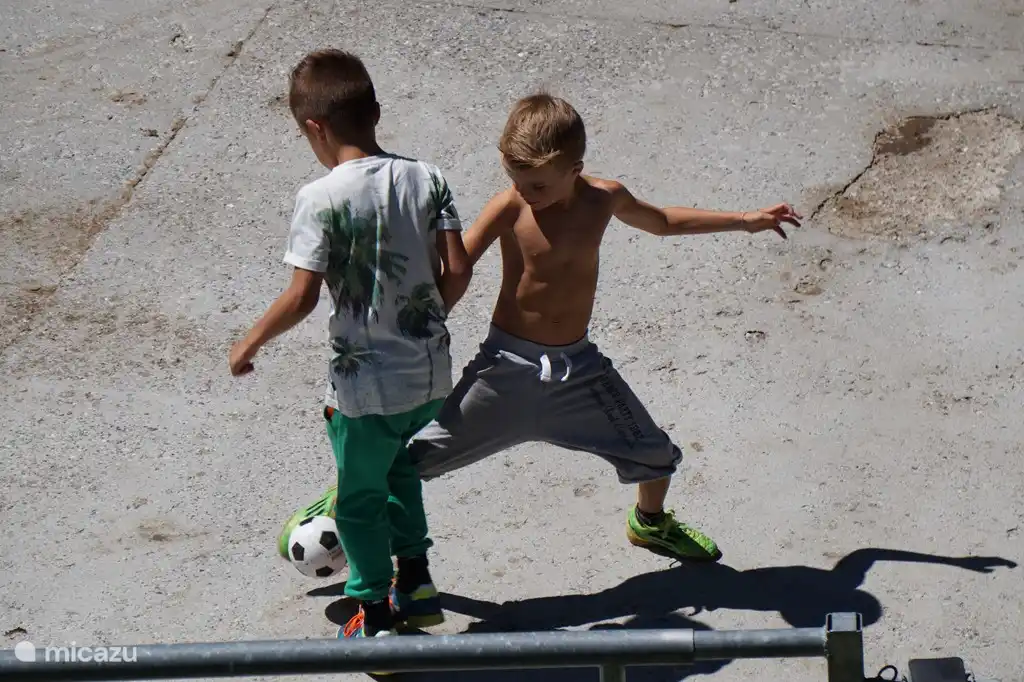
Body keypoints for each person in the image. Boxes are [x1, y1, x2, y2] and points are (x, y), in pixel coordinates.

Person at [281, 91, 800, 570]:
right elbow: (457, 267)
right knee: (406, 462)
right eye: (516, 180)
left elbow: (663, 221)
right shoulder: (510, 206)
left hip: (580, 372)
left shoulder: (606, 198)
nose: (526, 193)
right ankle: (343, 501)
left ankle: (649, 523)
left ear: (575, 170)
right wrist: (406, 319)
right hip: (504, 372)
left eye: (538, 185)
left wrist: (744, 219)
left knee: (655, 454)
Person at [230, 49, 472, 641]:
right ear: (375, 112)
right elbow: (460, 268)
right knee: (399, 472)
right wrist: (425, 321)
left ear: (315, 127)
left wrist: (249, 342)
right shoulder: (428, 177)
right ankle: (416, 580)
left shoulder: (320, 198)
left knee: (359, 499)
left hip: (364, 391)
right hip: (428, 378)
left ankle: (373, 611)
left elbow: (302, 297)